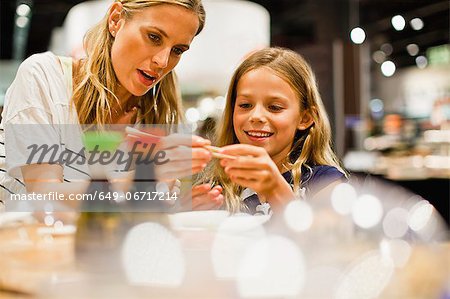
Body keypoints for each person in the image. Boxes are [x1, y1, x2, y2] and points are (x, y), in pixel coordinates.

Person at [0, 0, 215, 209]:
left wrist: (178, 207)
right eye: (154, 37)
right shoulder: (44, 76)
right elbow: (45, 197)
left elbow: (134, 222)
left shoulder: (157, 117)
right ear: (115, 19)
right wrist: (141, 179)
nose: (163, 61)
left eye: (177, 50)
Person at [196, 47, 347, 215]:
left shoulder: (325, 182)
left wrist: (277, 191)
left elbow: (330, 239)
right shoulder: (215, 188)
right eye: (245, 105)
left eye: (274, 107)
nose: (256, 116)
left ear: (305, 118)